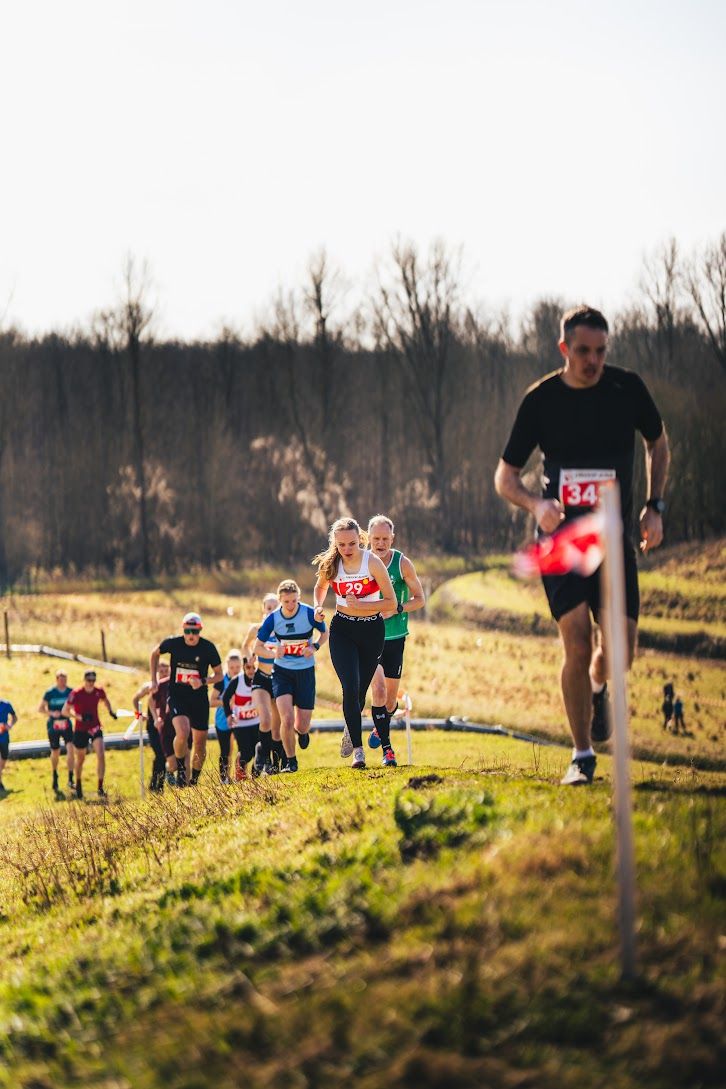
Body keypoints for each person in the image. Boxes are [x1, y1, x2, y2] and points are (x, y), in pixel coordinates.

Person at [495, 305, 670, 786]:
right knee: (576, 639)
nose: (593, 360)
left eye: (600, 351)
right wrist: (537, 506)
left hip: (613, 541)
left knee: (620, 654)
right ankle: (582, 754)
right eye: (583, 351)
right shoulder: (541, 400)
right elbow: (505, 477)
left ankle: (597, 685)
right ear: (564, 349)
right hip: (564, 542)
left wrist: (654, 506)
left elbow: (657, 443)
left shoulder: (626, 389)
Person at [313, 517, 396, 770]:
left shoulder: (372, 563)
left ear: (360, 539)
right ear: (335, 543)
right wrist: (317, 606)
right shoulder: (331, 563)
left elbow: (391, 602)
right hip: (343, 630)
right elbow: (320, 587)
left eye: (351, 543)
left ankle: (351, 727)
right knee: (350, 686)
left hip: (371, 631)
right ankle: (358, 752)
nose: (347, 549)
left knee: (359, 693)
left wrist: (362, 605)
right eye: (341, 545)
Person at [366, 515, 426, 766]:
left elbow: (420, 599)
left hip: (395, 638)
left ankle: (381, 723)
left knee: (390, 702)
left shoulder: (402, 564)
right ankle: (387, 751)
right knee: (378, 691)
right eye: (376, 539)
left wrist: (398, 608)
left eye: (385, 539)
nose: (380, 544)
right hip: (369, 638)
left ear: (392, 538)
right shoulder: (360, 562)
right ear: (368, 538)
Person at [253, 580, 328, 774]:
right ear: (280, 600)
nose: (291, 605)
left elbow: (325, 632)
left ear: (299, 598)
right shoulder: (273, 619)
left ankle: (302, 733)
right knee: (286, 718)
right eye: (286, 601)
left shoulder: (308, 613)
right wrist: (273, 653)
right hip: (282, 672)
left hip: (305, 671)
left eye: (294, 601)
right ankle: (291, 762)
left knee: (301, 725)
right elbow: (257, 647)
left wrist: (315, 646)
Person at [150, 612, 223, 786]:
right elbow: (155, 653)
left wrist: (203, 681)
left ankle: (194, 780)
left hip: (199, 698)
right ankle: (182, 770)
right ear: (183, 629)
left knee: (200, 743)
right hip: (177, 696)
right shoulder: (174, 643)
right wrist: (153, 680)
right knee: (182, 732)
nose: (191, 635)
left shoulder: (208, 648)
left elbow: (219, 675)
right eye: (187, 631)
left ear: (200, 630)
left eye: (195, 631)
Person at [242, 593, 285, 774]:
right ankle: (264, 758)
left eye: (275, 608)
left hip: (279, 679)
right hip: (261, 678)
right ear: (263, 609)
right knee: (265, 719)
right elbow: (245, 646)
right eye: (268, 608)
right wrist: (248, 660)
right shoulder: (257, 629)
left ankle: (275, 764)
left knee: (277, 727)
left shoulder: (283, 629)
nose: (271, 611)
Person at [62, 670, 117, 799]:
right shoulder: (76, 693)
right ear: (84, 680)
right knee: (81, 759)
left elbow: (105, 700)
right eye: (89, 680)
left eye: (93, 680)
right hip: (80, 729)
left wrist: (110, 711)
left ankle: (100, 788)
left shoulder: (99, 691)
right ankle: (78, 785)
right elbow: (65, 711)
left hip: (95, 727)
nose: (91, 683)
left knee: (101, 754)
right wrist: (79, 717)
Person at [132, 661, 176, 792]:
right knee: (160, 754)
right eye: (161, 671)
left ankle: (156, 786)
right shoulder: (150, 686)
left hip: (167, 726)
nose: (164, 674)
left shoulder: (171, 685)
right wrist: (139, 714)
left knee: (165, 755)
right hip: (153, 725)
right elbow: (135, 699)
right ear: (156, 672)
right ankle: (156, 786)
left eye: (166, 671)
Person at [221, 655, 261, 780]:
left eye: (254, 668)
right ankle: (240, 772)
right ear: (244, 668)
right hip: (240, 723)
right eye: (248, 667)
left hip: (257, 721)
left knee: (258, 750)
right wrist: (228, 715)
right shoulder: (237, 681)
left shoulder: (260, 678)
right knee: (246, 753)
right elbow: (225, 698)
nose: (251, 670)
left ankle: (255, 776)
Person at [39, 669, 75, 794]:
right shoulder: (50, 692)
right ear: (56, 680)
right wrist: (51, 713)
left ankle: (70, 778)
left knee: (71, 749)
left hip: (66, 724)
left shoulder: (71, 692)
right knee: (55, 751)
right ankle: (55, 774)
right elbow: (40, 708)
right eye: (61, 680)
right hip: (53, 726)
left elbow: (74, 707)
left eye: (65, 680)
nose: (63, 682)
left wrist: (71, 714)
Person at [210, 649, 244, 783]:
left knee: (243, 749)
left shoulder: (244, 679)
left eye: (237, 667)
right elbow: (211, 702)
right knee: (225, 751)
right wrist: (228, 701)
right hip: (222, 720)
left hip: (241, 719)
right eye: (232, 667)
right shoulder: (221, 681)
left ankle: (240, 777)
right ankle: (224, 779)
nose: (235, 670)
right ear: (227, 667)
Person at [0, 697, 18, 793]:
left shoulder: (6, 705)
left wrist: (10, 725)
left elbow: (14, 717)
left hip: (4, 737)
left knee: (4, 757)